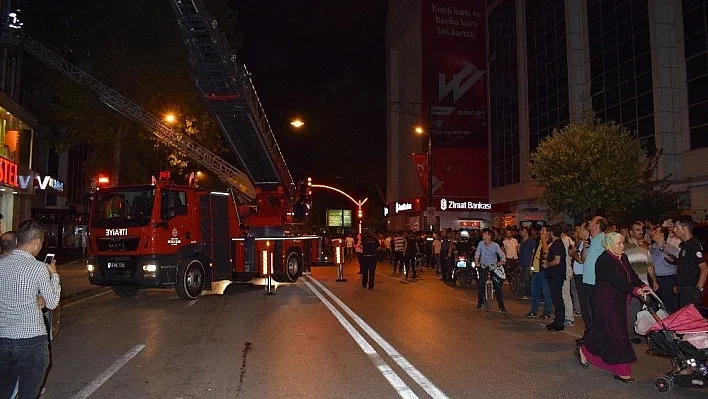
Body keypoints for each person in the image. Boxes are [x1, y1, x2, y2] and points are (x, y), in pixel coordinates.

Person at [577, 232, 652, 383]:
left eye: (622, 243)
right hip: (605, 301)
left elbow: (631, 274)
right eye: (619, 243)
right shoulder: (604, 260)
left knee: (605, 331)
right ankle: (622, 370)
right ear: (609, 245)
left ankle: (586, 350)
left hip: (619, 300)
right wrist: (634, 290)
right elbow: (617, 281)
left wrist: (642, 285)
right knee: (617, 333)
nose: (622, 246)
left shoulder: (622, 257)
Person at [0, 220, 61, 399]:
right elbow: (52, 303)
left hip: (3, 339)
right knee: (28, 392)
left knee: (4, 390)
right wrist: (54, 276)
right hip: (31, 340)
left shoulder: (1, 265)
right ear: (36, 242)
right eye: (41, 243)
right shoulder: (39, 268)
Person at [577, 216, 607, 346]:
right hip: (587, 280)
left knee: (596, 311)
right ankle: (589, 335)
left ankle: (595, 338)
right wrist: (584, 247)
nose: (589, 223)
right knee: (587, 310)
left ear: (597, 225)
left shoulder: (604, 240)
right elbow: (583, 259)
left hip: (597, 281)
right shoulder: (591, 240)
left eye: (592, 221)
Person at [673, 215, 708, 308]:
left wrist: (697, 291)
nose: (674, 230)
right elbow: (687, 265)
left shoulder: (694, 245)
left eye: (676, 227)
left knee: (689, 319)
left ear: (684, 228)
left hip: (691, 290)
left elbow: (704, 269)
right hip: (684, 289)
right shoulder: (686, 246)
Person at [474, 229, 507, 313]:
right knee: (481, 283)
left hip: (493, 266)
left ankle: (501, 307)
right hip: (483, 265)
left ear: (489, 236)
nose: (483, 235)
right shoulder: (480, 243)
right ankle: (480, 303)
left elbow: (502, 255)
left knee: (497, 286)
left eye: (485, 234)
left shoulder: (495, 245)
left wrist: (502, 261)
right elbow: (477, 254)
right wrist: (477, 262)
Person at [543, 224, 567, 331]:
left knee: (557, 299)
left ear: (552, 233)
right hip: (556, 275)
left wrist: (547, 264)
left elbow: (557, 260)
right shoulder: (557, 243)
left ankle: (559, 323)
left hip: (556, 275)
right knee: (556, 298)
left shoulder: (557, 244)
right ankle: (557, 320)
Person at [648, 226, 678, 312]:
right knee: (654, 306)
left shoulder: (672, 249)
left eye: (655, 231)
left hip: (667, 280)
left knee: (667, 306)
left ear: (661, 234)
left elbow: (678, 266)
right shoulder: (650, 248)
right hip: (654, 279)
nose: (652, 233)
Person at [526, 227, 552, 318]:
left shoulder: (550, 242)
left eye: (543, 231)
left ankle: (547, 312)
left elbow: (546, 251)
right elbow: (534, 254)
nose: (541, 232)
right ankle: (534, 310)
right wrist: (531, 266)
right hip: (536, 270)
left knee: (546, 292)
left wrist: (543, 240)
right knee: (534, 292)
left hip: (544, 271)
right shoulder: (538, 242)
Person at [518, 227, 536, 299]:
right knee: (524, 279)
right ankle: (526, 293)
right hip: (522, 263)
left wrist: (532, 263)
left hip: (529, 263)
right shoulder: (522, 241)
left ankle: (528, 294)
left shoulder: (531, 241)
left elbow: (534, 252)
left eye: (523, 231)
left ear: (526, 232)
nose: (521, 232)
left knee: (528, 279)